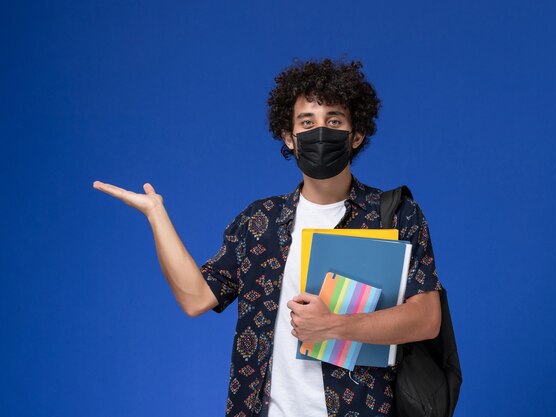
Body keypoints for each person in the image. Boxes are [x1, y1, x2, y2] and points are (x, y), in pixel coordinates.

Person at [93, 58, 442, 417]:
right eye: (307, 122)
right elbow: (196, 297)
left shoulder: (395, 214)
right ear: (289, 138)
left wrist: (335, 325)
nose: (320, 131)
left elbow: (427, 318)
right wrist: (156, 215)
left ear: (356, 135)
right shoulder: (260, 221)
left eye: (334, 121)